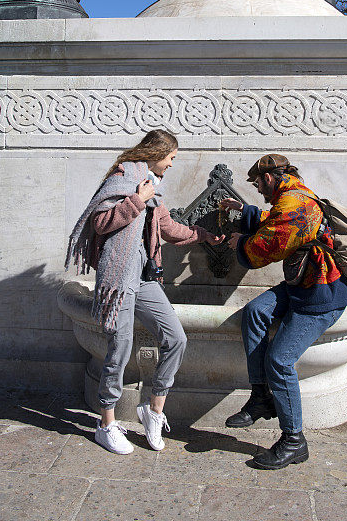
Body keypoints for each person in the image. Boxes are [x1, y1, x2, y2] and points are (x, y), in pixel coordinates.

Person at [66, 129, 224, 455]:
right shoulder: (125, 178)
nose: (172, 164)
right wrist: (136, 200)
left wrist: (203, 235)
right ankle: (106, 423)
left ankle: (153, 411)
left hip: (145, 276)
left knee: (176, 338)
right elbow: (101, 223)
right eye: (171, 158)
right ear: (157, 153)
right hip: (119, 277)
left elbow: (168, 228)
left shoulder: (153, 188)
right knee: (119, 349)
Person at [221, 154, 347, 470]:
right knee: (255, 312)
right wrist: (245, 211)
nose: (257, 189)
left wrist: (240, 244)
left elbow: (267, 246)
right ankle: (260, 397)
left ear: (269, 177)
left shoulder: (294, 202)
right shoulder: (294, 196)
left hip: (319, 295)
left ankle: (294, 440)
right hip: (301, 287)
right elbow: (277, 220)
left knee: (279, 361)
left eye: (257, 184)